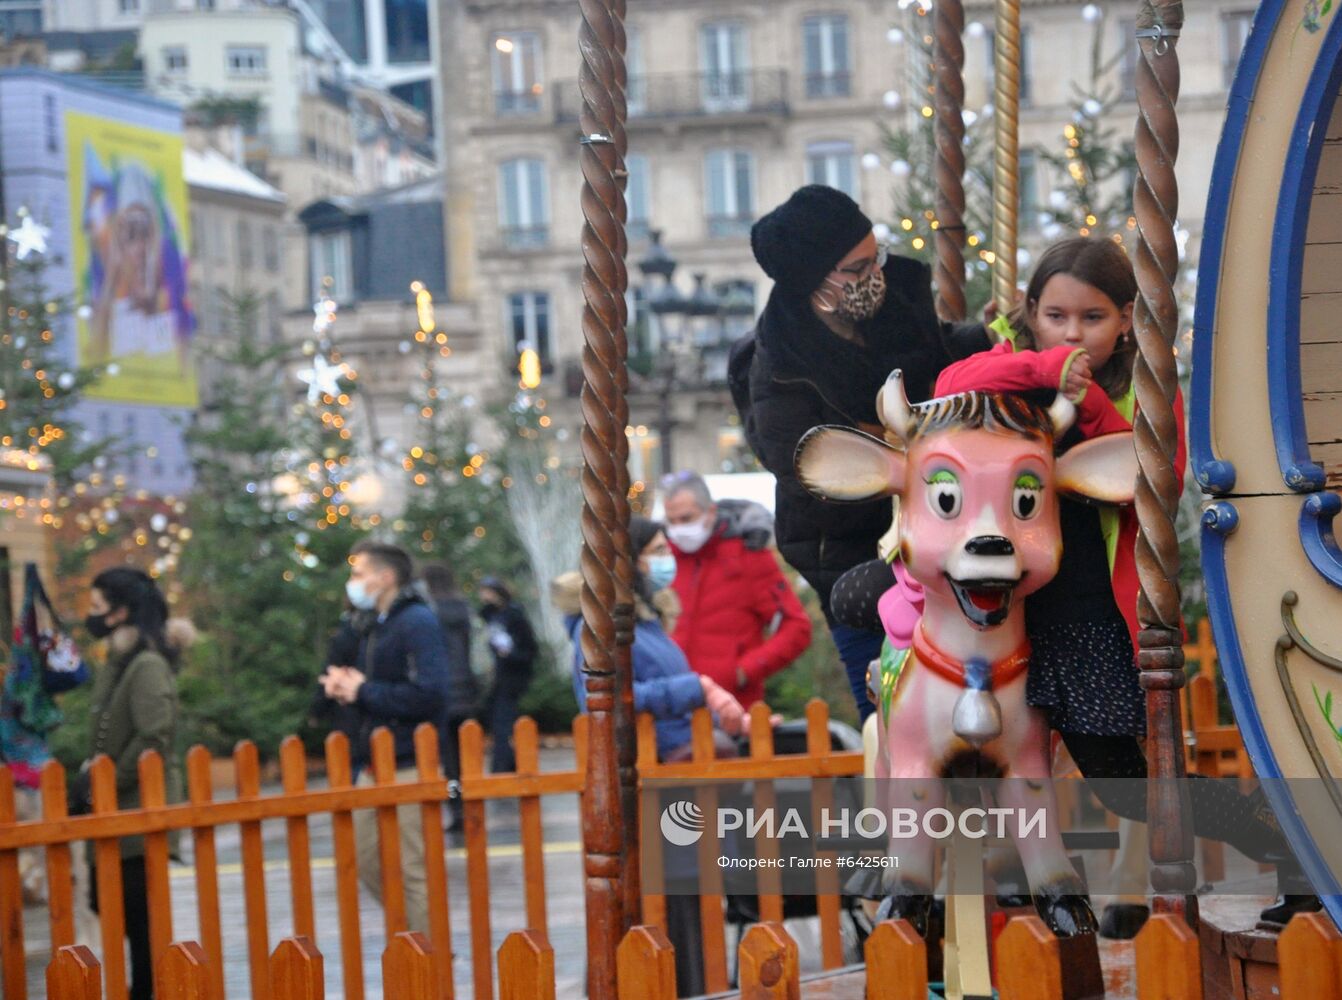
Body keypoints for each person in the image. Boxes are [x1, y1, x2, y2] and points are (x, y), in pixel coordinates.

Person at [930, 236, 1318, 929]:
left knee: (1128, 786)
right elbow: (948, 388)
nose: (1073, 333)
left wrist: (1083, 402)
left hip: (1083, 620)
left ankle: (1296, 844)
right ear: (1030, 312)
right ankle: (1001, 912)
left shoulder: (1144, 391)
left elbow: (1147, 474)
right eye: (1056, 316)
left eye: (1092, 319)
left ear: (1126, 319)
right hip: (1002, 617)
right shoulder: (1008, 369)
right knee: (984, 768)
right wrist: (1045, 369)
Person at [742, 184, 988, 719]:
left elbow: (943, 349)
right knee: (889, 708)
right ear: (816, 282)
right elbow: (811, 462)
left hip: (940, 537)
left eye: (876, 255)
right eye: (857, 268)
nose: (876, 271)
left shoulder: (898, 304)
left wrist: (996, 341)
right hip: (848, 552)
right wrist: (901, 442)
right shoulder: (780, 366)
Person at [556, 516, 763, 996]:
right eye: (654, 549)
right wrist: (698, 687)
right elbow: (601, 697)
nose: (665, 558)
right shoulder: (600, 624)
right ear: (627, 560)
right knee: (667, 909)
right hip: (655, 783)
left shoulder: (645, 622)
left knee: (687, 905)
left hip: (680, 777)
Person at [318, 540, 450, 935]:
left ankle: (431, 961)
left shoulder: (416, 621)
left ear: (386, 577)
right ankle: (413, 939)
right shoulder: (375, 623)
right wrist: (347, 688)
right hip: (372, 760)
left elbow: (431, 692)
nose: (352, 583)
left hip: (409, 760)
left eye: (359, 574)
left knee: (412, 868)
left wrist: (364, 691)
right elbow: (375, 685)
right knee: (364, 859)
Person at [81, 567, 194, 1000]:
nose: (91, 615)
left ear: (121, 611)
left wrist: (105, 782)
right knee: (113, 909)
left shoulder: (145, 663)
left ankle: (148, 992)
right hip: (117, 812)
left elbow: (154, 735)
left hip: (136, 811)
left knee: (140, 920)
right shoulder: (121, 658)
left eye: (97, 606)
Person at [660, 471, 812, 709]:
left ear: (710, 512)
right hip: (673, 708)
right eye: (672, 521)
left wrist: (743, 670)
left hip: (734, 708)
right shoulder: (664, 560)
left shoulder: (748, 556)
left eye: (686, 518)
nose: (678, 529)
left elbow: (797, 628)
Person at [420, 562, 479, 830]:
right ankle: (472, 803)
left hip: (442, 692)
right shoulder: (464, 609)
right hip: (466, 688)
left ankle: (456, 807)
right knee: (467, 753)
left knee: (448, 759)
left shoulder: (428, 612)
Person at [478, 576, 538, 773]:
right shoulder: (487, 615)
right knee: (496, 720)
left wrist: (510, 655)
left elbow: (529, 649)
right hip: (494, 678)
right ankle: (508, 762)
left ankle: (502, 765)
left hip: (511, 677)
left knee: (503, 721)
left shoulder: (514, 616)